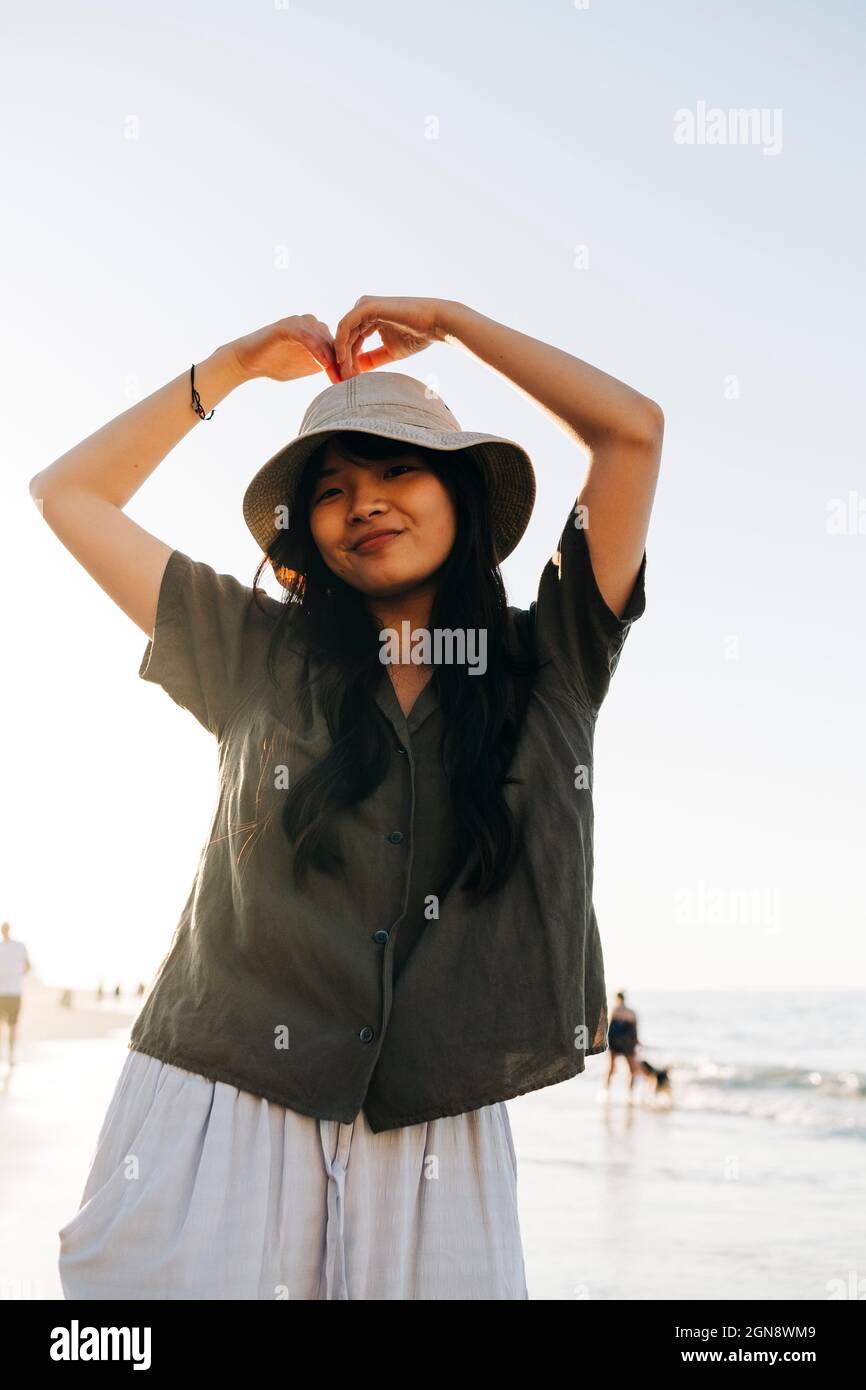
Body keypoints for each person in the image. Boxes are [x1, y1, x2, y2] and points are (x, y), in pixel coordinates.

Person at [30, 296, 662, 1300]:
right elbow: (67, 494)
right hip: (217, 1092)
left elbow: (632, 431)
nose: (363, 501)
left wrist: (453, 325)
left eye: (399, 468)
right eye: (332, 488)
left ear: (463, 494)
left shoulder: (548, 659)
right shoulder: (252, 652)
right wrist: (227, 368)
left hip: (434, 1129)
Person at [0, 921, 32, 1067]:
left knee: (12, 1026)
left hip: (13, 992)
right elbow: (28, 967)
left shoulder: (19, 946)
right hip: (3, 993)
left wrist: (17, 976)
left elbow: (28, 966)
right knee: (4, 1026)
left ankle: (11, 1055)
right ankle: (7, 1056)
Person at [606, 990, 642, 1093]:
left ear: (617, 999)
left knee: (611, 1068)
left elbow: (608, 1027)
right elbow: (635, 1029)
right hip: (628, 1043)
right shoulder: (631, 1012)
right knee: (632, 1070)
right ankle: (630, 1094)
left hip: (615, 1041)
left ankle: (606, 1091)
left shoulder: (614, 1010)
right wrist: (636, 1041)